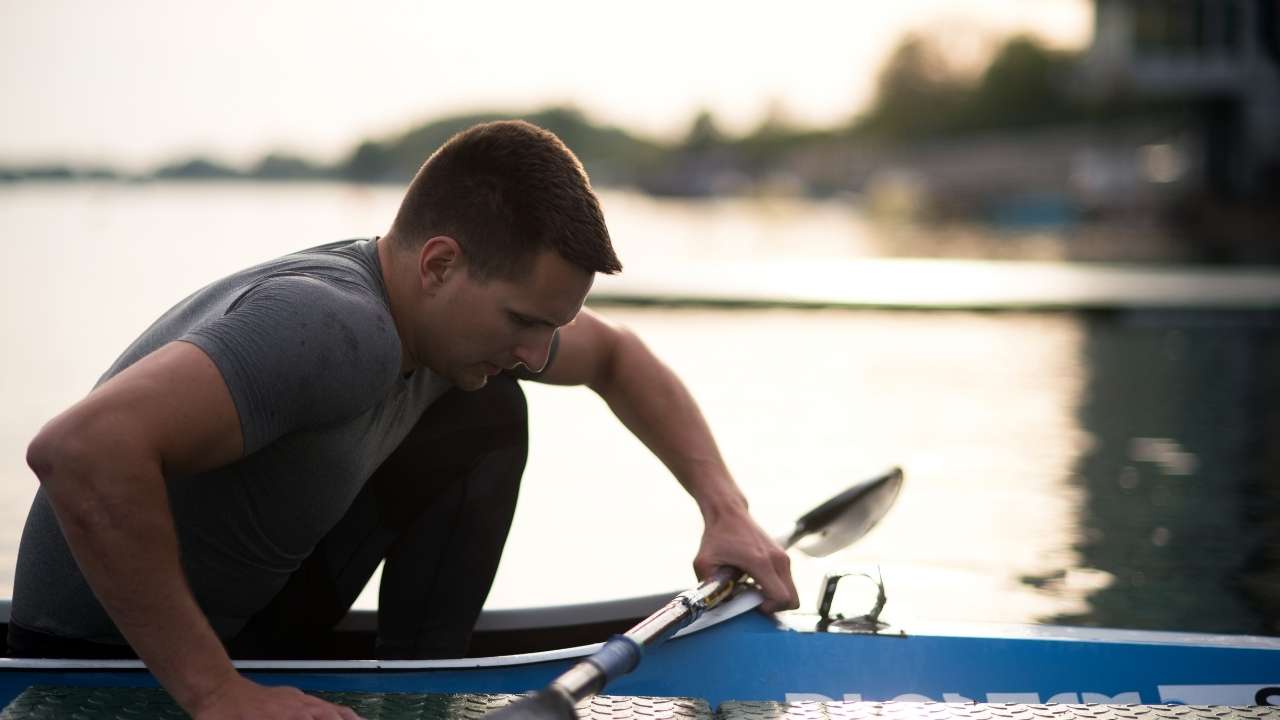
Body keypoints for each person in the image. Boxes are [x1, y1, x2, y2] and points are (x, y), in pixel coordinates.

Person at [11, 120, 799, 719]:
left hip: (250, 614)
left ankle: (423, 686)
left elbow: (621, 359)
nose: (536, 351)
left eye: (551, 326)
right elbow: (81, 450)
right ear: (440, 264)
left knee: (487, 407)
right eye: (523, 319)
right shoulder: (331, 326)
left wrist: (726, 514)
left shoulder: (447, 321)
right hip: (102, 659)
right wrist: (217, 693)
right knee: (488, 404)